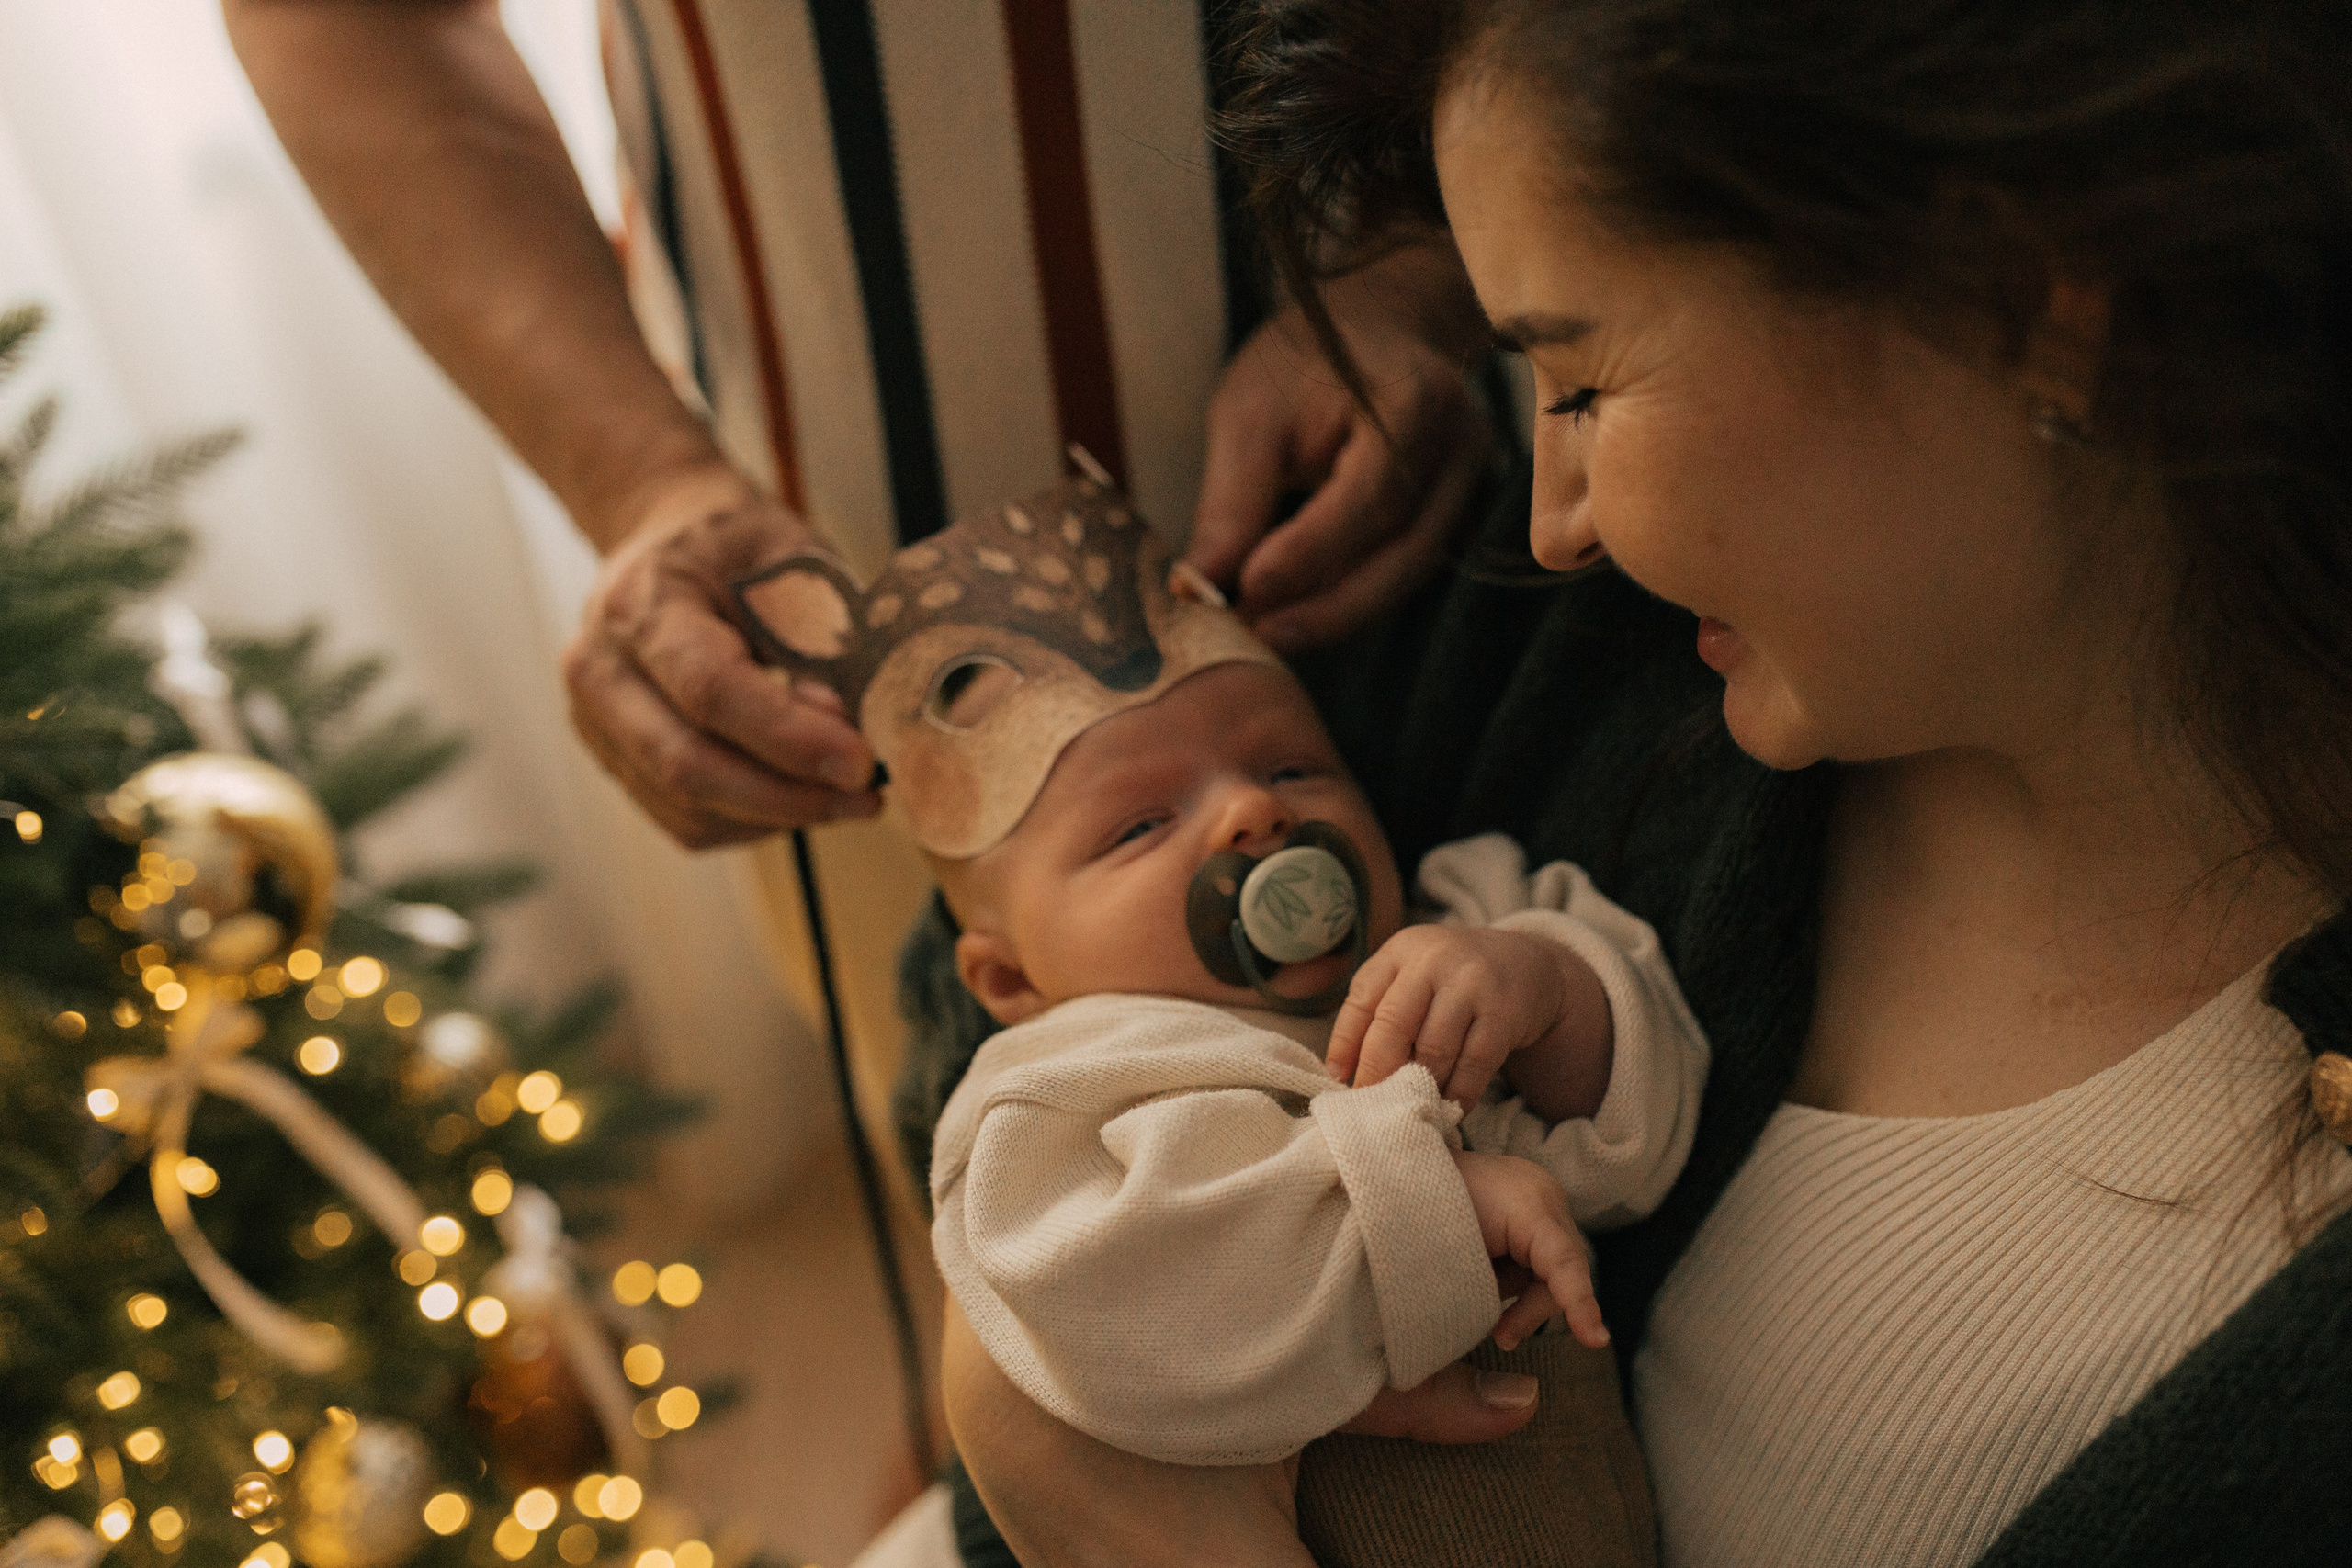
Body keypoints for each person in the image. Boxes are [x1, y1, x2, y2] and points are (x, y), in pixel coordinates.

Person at [922, 2, 2352, 1564]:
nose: (1557, 517)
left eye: (1583, 383)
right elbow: (994, 971)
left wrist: (1092, 1484)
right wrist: (1009, 1366)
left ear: (2019, 301)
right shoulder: (1561, 645)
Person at [737, 471, 1700, 1566]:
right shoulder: (1060, 1094)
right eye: (1142, 824)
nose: (1254, 810)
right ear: (1006, 982)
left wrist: (1550, 991)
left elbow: (1649, 1140)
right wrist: (1435, 1194)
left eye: (1291, 765)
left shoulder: (1461, 922)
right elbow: (1108, 1300)